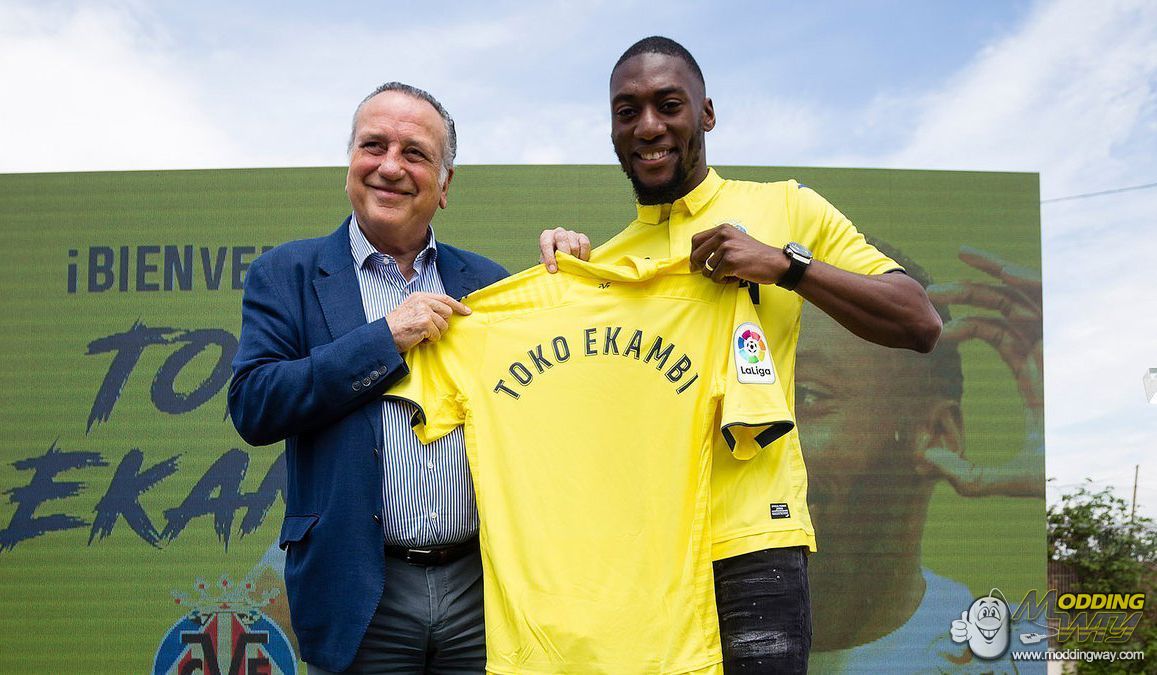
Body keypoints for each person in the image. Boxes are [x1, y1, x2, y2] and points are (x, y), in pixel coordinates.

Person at [540, 36, 942, 673]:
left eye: (669, 104)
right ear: (612, 129)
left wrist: (784, 265)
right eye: (627, 111)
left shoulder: (786, 207)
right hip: (644, 557)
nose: (648, 126)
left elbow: (918, 320)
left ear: (707, 113)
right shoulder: (605, 266)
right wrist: (568, 279)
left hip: (758, 548)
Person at [229, 82, 507, 674]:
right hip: (358, 588)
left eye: (415, 153)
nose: (390, 166)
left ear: (445, 185)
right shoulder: (286, 273)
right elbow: (254, 405)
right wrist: (385, 339)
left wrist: (569, 270)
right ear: (350, 163)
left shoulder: (489, 284)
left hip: (480, 589)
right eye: (373, 145)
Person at [799, 243, 1045, 672]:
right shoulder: (677, 640)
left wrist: (1074, 472)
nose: (750, 432)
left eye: (806, 395)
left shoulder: (1017, 658)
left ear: (937, 434)